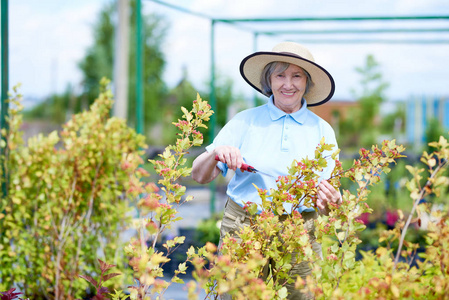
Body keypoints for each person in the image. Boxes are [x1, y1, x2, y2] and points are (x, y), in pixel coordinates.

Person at [192, 41, 342, 300]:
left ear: (307, 82)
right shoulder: (245, 121)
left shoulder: (321, 130)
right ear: (268, 80)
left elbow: (328, 204)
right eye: (280, 75)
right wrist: (217, 153)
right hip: (244, 225)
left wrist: (332, 202)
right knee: (238, 295)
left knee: (304, 296)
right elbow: (198, 174)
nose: (288, 84)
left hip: (300, 227)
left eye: (297, 76)